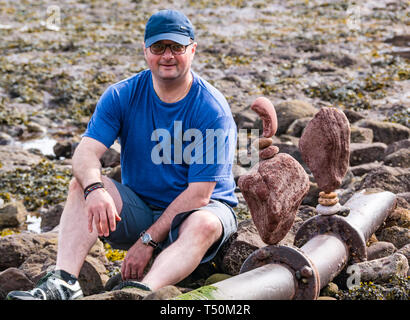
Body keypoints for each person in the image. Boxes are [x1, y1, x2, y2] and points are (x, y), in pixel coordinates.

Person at [7, 9, 238, 300]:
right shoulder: (122, 95)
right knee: (82, 185)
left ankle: (141, 293)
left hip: (199, 214)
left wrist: (147, 242)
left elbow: (200, 195)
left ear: (192, 49)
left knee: (203, 222)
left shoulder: (211, 109)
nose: (167, 55)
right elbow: (84, 154)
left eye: (176, 47)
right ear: (146, 51)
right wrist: (94, 189)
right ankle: (64, 283)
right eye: (158, 47)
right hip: (143, 206)